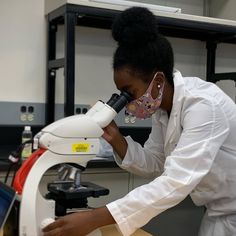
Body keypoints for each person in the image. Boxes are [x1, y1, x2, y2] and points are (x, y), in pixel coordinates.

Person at [43, 7, 236, 236]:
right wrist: (116, 139)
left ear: (157, 81)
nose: (127, 102)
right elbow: (155, 162)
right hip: (218, 214)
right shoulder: (163, 110)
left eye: (129, 92)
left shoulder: (204, 106)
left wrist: (95, 217)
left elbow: (176, 181)